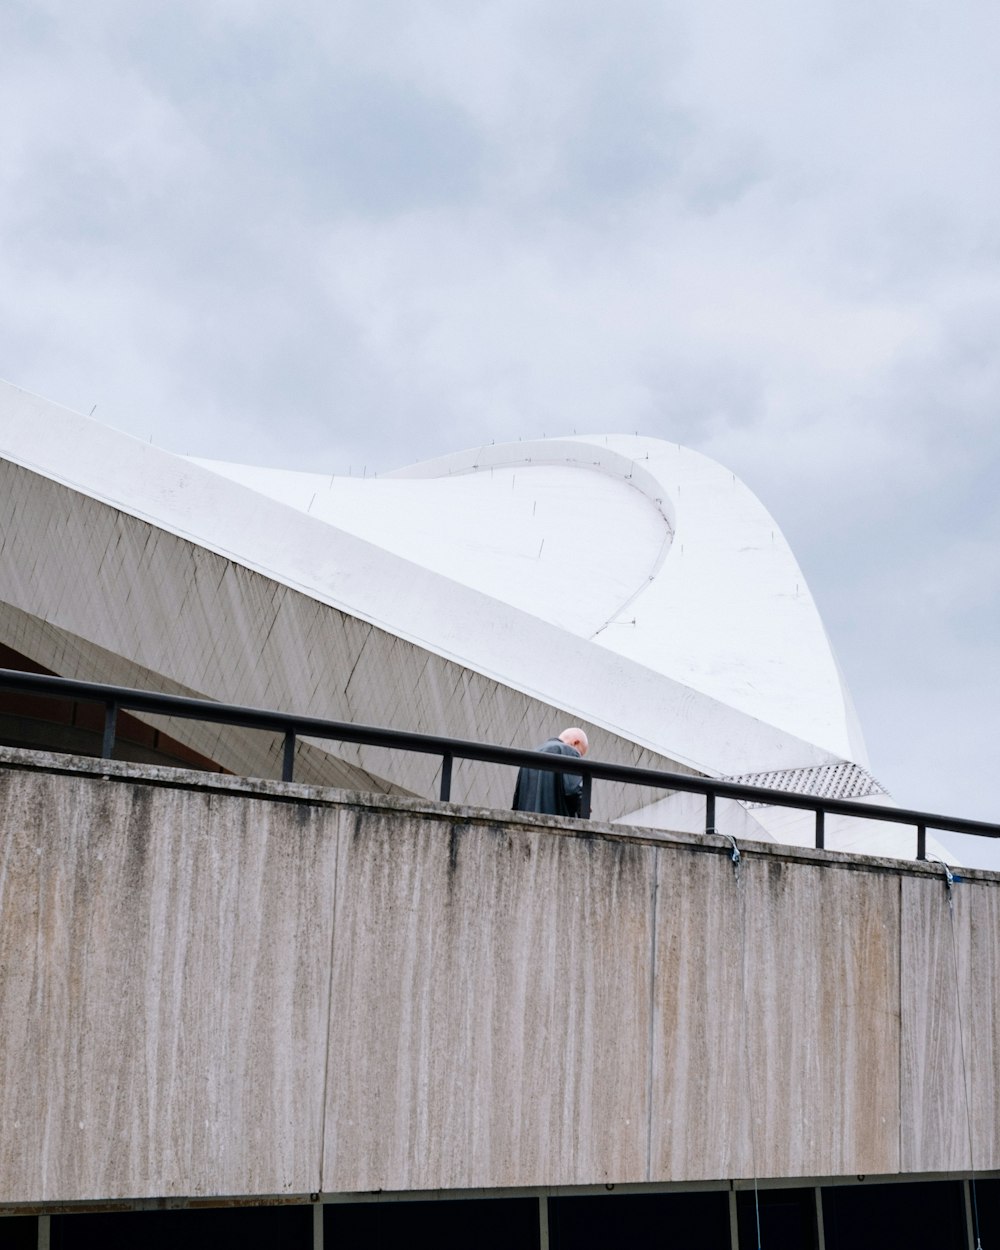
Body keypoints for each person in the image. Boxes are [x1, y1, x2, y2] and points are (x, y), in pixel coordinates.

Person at [512, 727, 590, 817]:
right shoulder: (569, 751)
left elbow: (517, 802)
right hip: (555, 824)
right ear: (575, 742)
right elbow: (573, 790)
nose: (578, 757)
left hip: (526, 824)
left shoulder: (528, 757)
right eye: (580, 753)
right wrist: (584, 807)